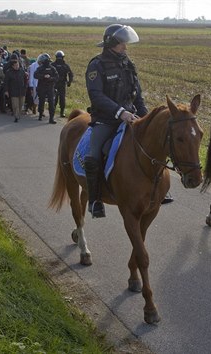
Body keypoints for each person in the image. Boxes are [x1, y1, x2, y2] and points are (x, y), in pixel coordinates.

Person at [84, 24, 148, 218]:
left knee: (151, 147)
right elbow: (96, 96)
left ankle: (157, 191)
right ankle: (95, 200)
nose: (125, 48)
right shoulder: (97, 65)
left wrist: (146, 118)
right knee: (94, 155)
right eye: (122, 44)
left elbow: (137, 95)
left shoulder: (128, 64)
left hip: (130, 118)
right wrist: (120, 112)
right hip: (106, 120)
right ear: (111, 43)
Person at [33, 53, 59, 124]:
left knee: (51, 103)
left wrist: (50, 78)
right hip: (42, 87)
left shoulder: (52, 68)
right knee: (42, 102)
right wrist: (43, 76)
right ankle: (41, 115)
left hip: (50, 88)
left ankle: (51, 118)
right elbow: (35, 75)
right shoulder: (41, 68)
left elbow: (57, 77)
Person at [52, 50, 74, 118]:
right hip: (60, 84)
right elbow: (71, 74)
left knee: (55, 98)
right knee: (61, 98)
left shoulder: (53, 65)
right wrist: (69, 82)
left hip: (55, 84)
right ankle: (61, 112)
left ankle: (53, 112)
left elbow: (70, 74)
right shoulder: (65, 65)